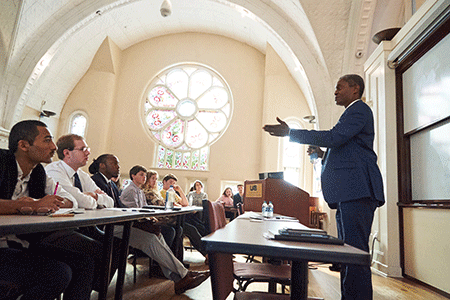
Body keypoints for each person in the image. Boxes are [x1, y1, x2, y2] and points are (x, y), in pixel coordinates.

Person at [263, 74, 385, 300]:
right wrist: (322, 155)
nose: (335, 92)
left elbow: (334, 137)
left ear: (355, 89)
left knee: (355, 254)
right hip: (349, 192)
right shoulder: (351, 113)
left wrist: (291, 133)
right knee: (348, 253)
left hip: (357, 190)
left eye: (340, 87)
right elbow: (346, 146)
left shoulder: (359, 109)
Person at [0, 120, 104, 299]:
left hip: (22, 241)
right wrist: (32, 206)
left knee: (84, 262)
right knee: (58, 273)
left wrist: (41, 202)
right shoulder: (2, 162)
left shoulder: (39, 172)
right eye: (47, 140)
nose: (54, 146)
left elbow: (71, 201)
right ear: (23, 145)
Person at [120, 166, 209, 295]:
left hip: (141, 222)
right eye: (142, 175)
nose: (145, 178)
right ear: (132, 176)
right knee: (163, 234)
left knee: (170, 232)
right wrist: (151, 222)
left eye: (146, 176)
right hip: (129, 225)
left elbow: (145, 209)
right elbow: (136, 213)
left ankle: (180, 278)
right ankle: (183, 275)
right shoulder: (132, 190)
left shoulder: (138, 191)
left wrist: (151, 222)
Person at [46, 134, 114, 209]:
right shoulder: (54, 170)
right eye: (83, 149)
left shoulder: (82, 175)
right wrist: (95, 200)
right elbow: (80, 201)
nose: (88, 152)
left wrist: (94, 196)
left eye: (87, 149)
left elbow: (110, 202)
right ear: (67, 153)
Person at [160, 173, 208, 259]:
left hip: (179, 219)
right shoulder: (162, 193)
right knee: (192, 229)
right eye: (171, 182)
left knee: (199, 226)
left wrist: (180, 190)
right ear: (164, 182)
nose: (173, 185)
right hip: (171, 220)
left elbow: (185, 204)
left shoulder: (173, 193)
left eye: (174, 183)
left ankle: (208, 251)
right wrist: (179, 205)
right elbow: (172, 205)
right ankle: (207, 254)